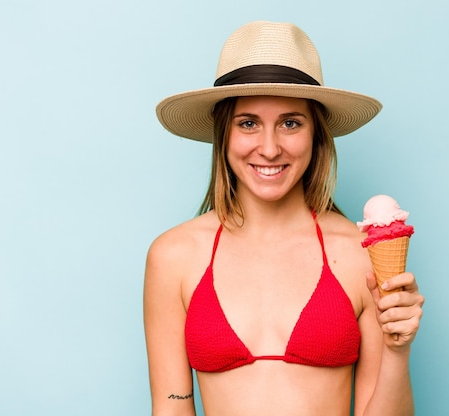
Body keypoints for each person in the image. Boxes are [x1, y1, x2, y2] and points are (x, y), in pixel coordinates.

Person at [144, 21, 424, 416]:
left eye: (291, 123)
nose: (270, 148)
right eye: (248, 124)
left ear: (316, 135)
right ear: (224, 133)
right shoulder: (173, 256)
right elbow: (171, 408)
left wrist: (398, 350)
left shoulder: (360, 254)